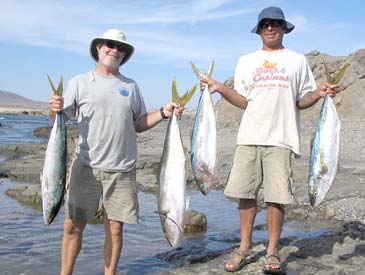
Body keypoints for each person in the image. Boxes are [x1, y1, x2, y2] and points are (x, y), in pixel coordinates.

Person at [201, 6, 338, 273]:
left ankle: (272, 251)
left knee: (277, 197)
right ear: (259, 29)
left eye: (276, 23)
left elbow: (301, 101)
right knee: (245, 194)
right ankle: (244, 247)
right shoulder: (246, 61)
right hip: (249, 136)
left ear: (285, 28)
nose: (270, 28)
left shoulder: (297, 61)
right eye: (265, 24)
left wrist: (320, 93)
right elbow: (242, 100)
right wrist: (220, 88)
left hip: (282, 139)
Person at [49, 28, 183, 275]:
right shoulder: (79, 82)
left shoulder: (131, 86)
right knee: (72, 226)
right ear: (99, 47)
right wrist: (55, 107)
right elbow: (62, 117)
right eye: (110, 45)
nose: (115, 50)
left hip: (122, 169)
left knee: (116, 229)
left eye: (121, 47)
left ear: (125, 54)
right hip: (85, 167)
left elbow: (139, 123)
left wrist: (164, 113)